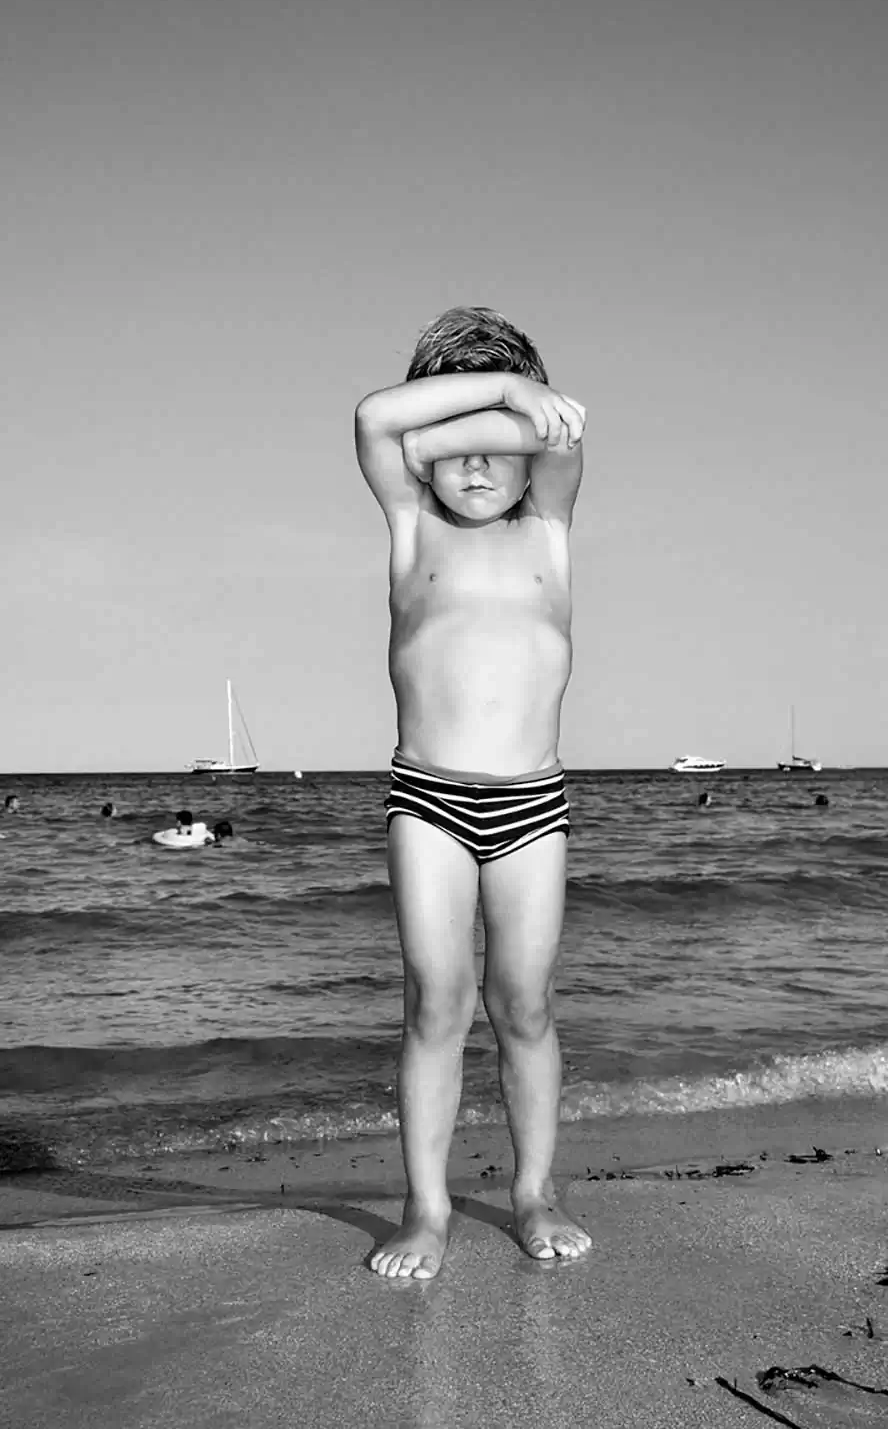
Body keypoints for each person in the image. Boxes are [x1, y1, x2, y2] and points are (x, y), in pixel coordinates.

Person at [355, 305, 591, 1279]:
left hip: (532, 807)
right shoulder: (410, 527)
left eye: (499, 446)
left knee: (523, 1005)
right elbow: (374, 418)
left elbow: (561, 434)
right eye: (452, 450)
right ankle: (426, 1209)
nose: (480, 466)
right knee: (436, 1004)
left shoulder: (550, 526)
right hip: (428, 801)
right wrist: (505, 391)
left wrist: (481, 418)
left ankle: (534, 1191)